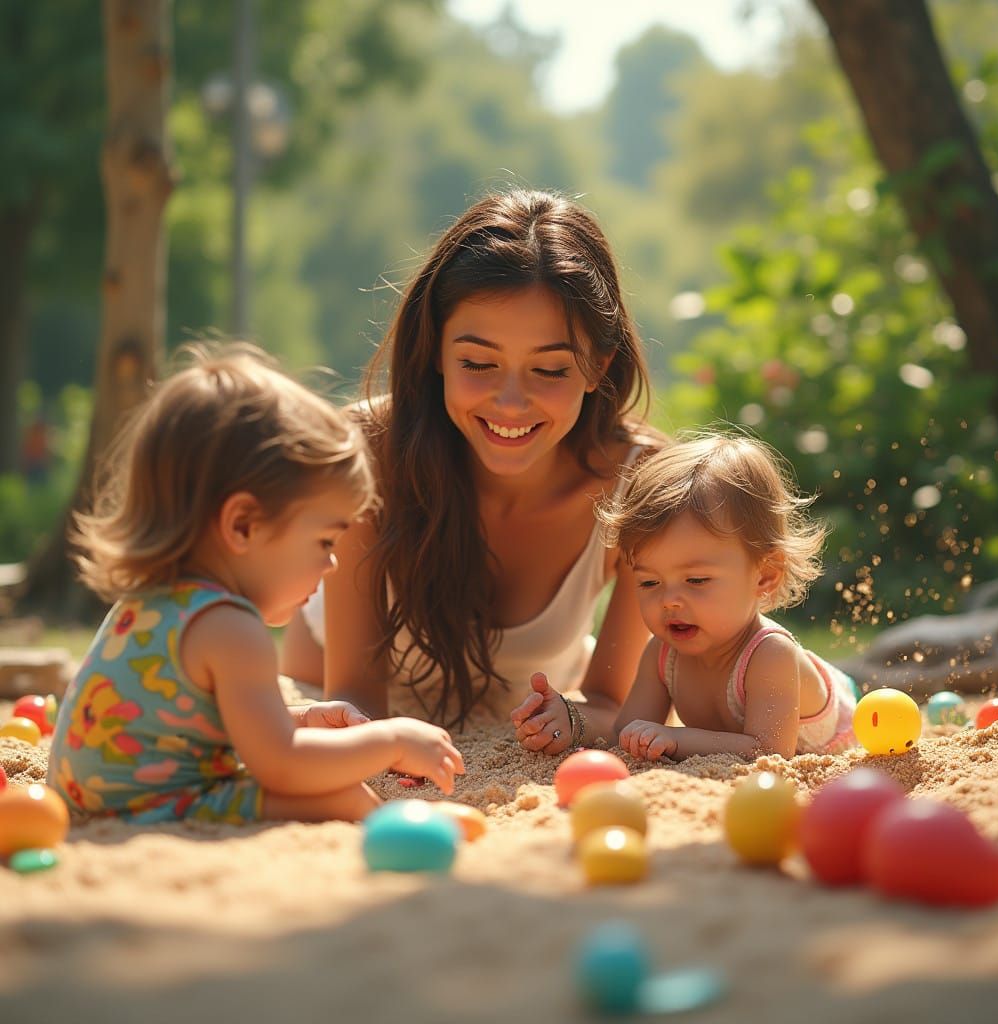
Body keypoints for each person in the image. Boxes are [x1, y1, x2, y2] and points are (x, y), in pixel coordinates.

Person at [281, 189, 662, 754]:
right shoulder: (365, 450)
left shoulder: (640, 484)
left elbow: (612, 705)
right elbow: (356, 700)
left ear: (597, 367)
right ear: (436, 349)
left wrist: (572, 720)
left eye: (550, 370)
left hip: (519, 731)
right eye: (478, 363)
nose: (510, 403)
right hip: (332, 697)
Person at [47, 345, 464, 825]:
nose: (332, 563)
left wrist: (298, 718)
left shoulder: (153, 600)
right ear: (243, 525)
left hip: (89, 800)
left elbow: (198, 724)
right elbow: (282, 765)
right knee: (344, 799)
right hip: (155, 806)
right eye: (324, 540)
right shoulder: (231, 626)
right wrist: (390, 741)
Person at [596, 431, 858, 761]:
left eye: (696, 580)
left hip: (846, 725)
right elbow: (625, 734)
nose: (669, 600)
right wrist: (569, 725)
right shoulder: (662, 655)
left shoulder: (770, 655)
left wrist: (675, 738)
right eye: (649, 582)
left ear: (764, 575)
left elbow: (770, 750)